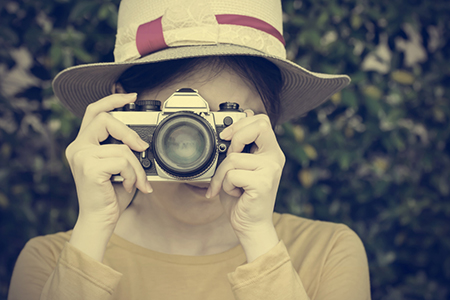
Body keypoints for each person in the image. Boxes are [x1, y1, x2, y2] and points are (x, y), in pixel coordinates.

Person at [8, 0, 371, 299]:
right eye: (181, 123)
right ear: (123, 109)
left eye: (231, 122)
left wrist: (257, 237)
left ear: (268, 125)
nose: (204, 150)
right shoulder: (50, 263)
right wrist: (93, 229)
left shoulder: (328, 253)